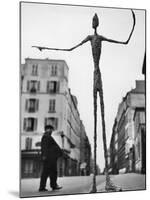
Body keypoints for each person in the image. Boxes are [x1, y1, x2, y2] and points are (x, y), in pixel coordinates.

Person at [39, 124, 63, 192]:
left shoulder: (48, 136)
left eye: (51, 130)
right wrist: (44, 156)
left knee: (52, 172)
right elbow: (44, 147)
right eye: (50, 129)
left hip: (51, 157)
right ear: (47, 129)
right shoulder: (46, 136)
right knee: (46, 173)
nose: (51, 131)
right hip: (49, 158)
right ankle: (43, 187)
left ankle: (53, 185)